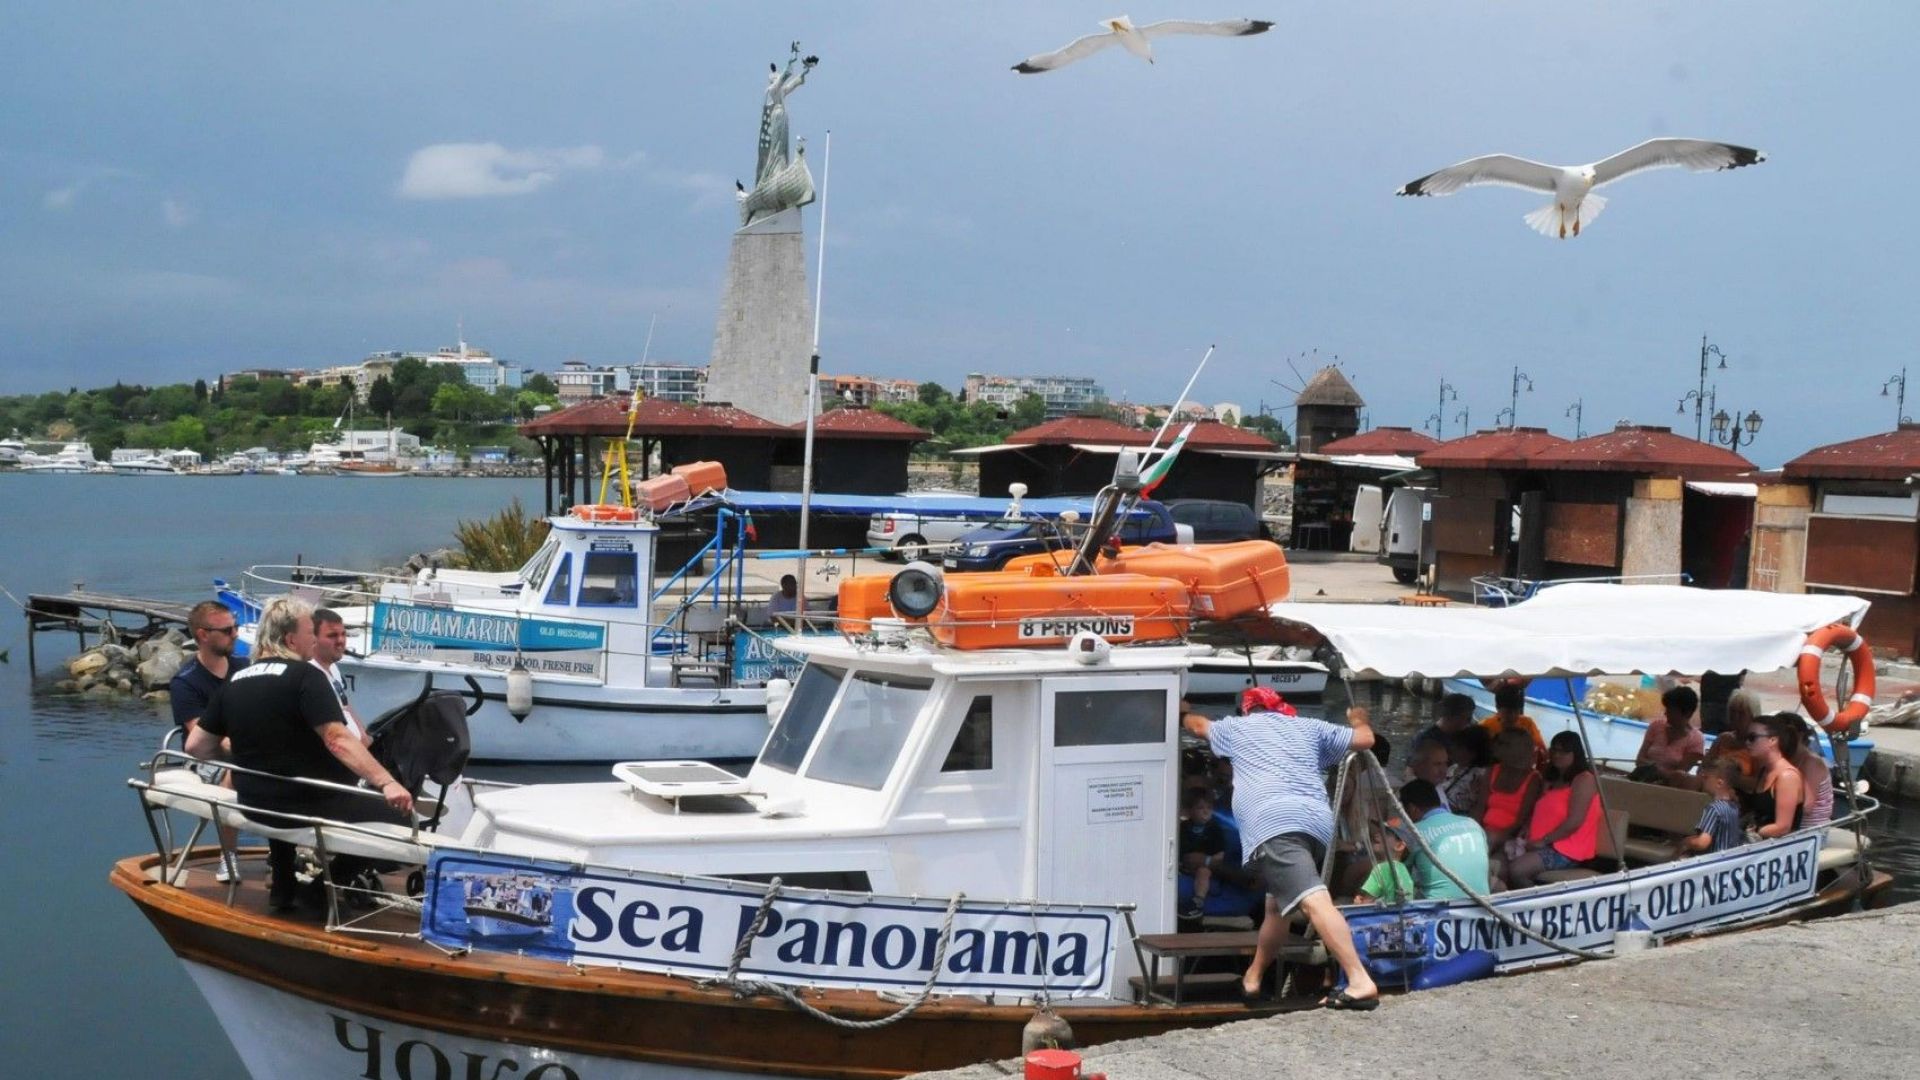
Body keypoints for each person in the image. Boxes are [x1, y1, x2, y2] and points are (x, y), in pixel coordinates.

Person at [185, 596, 415, 911]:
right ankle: (321, 888)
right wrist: (386, 782)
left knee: (282, 780)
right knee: (397, 820)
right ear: (291, 638)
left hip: (254, 803)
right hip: (307, 804)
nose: (312, 639)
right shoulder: (307, 677)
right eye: (310, 632)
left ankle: (283, 884)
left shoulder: (234, 682)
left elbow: (195, 747)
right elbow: (337, 738)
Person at [1181, 696, 1380, 1009]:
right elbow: (1366, 739)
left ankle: (1359, 979)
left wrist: (1183, 712)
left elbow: (1198, 726)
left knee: (1314, 900)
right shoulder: (1309, 726)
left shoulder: (1237, 727)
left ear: (1248, 710)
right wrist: (1358, 717)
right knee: (1278, 905)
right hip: (1316, 822)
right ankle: (1253, 979)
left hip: (1276, 823)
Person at [169, 600, 249, 882]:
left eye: (236, 627)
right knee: (238, 772)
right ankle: (229, 858)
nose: (235, 634)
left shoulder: (245, 667)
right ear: (203, 635)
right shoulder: (186, 683)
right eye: (227, 630)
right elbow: (201, 735)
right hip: (206, 757)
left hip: (246, 746)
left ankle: (291, 853)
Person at [1506, 732, 1602, 888]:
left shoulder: (1584, 779)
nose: (1557, 755)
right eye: (1554, 750)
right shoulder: (1551, 778)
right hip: (1538, 842)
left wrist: (1543, 841)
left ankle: (1538, 906)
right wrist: (1527, 828)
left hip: (1566, 848)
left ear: (1575, 753)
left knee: (1517, 869)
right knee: (1499, 863)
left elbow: (1574, 821)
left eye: (1564, 751)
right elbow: (1541, 810)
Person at [1398, 778, 1491, 900]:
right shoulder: (1472, 824)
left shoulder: (1413, 832)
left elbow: (1398, 875)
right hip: (1481, 904)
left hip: (1438, 912)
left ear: (1412, 809)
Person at [1479, 729, 1543, 888]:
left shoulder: (1533, 779)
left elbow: (1521, 820)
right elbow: (1479, 806)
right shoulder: (1492, 770)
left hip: (1510, 836)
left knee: (1493, 851)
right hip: (1486, 832)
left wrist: (1497, 836)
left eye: (1503, 744)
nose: (1496, 747)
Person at [309, 608, 371, 747]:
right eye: (332, 636)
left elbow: (345, 705)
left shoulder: (332, 667)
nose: (341, 640)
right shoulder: (311, 676)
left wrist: (364, 736)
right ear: (313, 639)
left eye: (343, 634)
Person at [1745, 713, 1805, 839]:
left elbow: (1783, 827)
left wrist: (1752, 833)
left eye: (1752, 737)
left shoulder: (1787, 776)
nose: (1747, 742)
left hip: (1779, 850)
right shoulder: (1764, 771)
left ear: (1772, 740)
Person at [1632, 685, 1706, 785]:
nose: (1666, 713)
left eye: (1671, 710)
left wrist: (1656, 771)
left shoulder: (1696, 739)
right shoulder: (1656, 726)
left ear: (1687, 713)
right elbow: (1640, 759)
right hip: (1641, 780)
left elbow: (1679, 775)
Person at [1178, 790, 1231, 918]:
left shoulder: (1214, 828)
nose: (1205, 811)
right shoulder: (1184, 827)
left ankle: (1198, 902)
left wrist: (1208, 861)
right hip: (1183, 865)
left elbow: (1220, 853)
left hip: (1205, 866)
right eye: (1200, 808)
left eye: (1209, 808)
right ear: (1189, 811)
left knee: (1203, 872)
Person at [1676, 759, 1745, 855]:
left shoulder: (1713, 809)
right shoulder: (1734, 807)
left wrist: (1687, 842)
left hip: (1714, 860)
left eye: (1706, 777)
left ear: (1719, 783)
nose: (1702, 780)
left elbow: (1702, 843)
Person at [1697, 689, 1761, 791]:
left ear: (1753, 716)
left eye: (1741, 713)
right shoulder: (1723, 738)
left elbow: (1757, 784)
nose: (1735, 716)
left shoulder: (1758, 746)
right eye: (1732, 711)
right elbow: (1703, 768)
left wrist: (1729, 777)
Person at [1783, 717, 1834, 832]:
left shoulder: (1811, 762)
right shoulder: (1787, 759)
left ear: (1800, 735)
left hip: (1810, 831)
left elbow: (1807, 807)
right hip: (1792, 826)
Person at [1480, 683, 1547, 765]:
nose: (1513, 716)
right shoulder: (1486, 726)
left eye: (1516, 711)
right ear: (1497, 707)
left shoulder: (1527, 723)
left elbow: (1541, 750)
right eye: (1508, 712)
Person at [1442, 725, 1493, 820]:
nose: (1452, 749)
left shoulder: (1480, 776)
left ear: (1472, 753)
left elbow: (1476, 806)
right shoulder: (1453, 768)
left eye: (1459, 747)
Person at [1404, 738, 1453, 811]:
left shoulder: (1437, 787)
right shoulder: (1413, 796)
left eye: (1445, 763)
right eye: (1437, 764)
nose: (1443, 770)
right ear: (1419, 766)